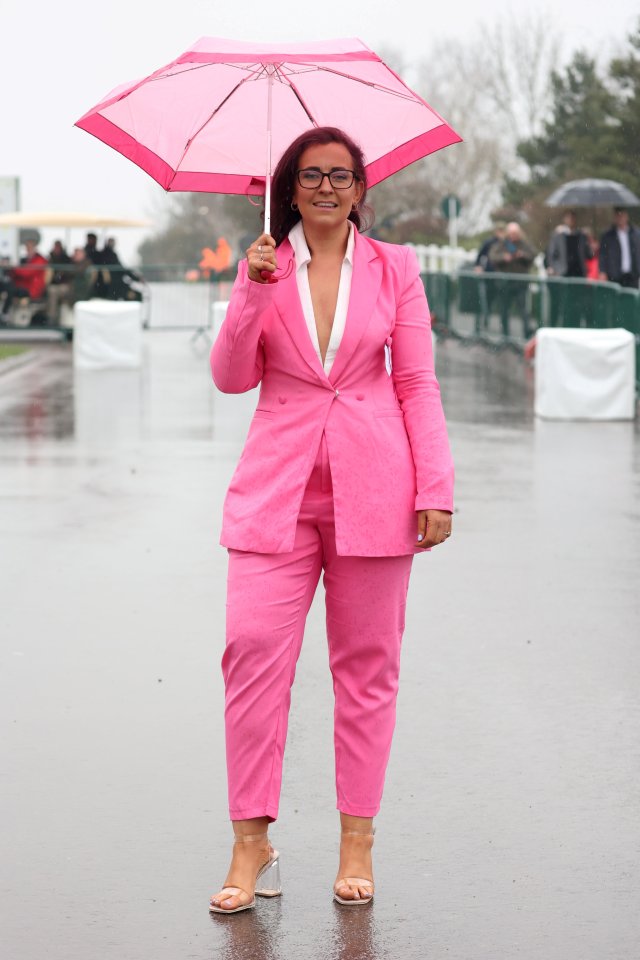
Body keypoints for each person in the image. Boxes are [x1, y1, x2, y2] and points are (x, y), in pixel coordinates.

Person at [208, 127, 454, 914]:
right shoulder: (264, 265)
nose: (324, 187)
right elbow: (229, 377)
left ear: (359, 187)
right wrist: (250, 290)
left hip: (377, 490)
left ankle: (358, 842)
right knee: (251, 661)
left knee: (367, 672)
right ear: (288, 186)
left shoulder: (397, 268)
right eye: (310, 175)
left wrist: (434, 487)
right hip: (275, 495)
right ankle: (253, 848)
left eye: (339, 175)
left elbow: (414, 380)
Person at [488, 221, 535, 337]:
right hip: (505, 283)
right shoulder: (502, 244)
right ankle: (505, 334)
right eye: (511, 233)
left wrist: (522, 255)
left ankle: (526, 332)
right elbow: (493, 256)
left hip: (520, 283)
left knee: (523, 309)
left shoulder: (523, 244)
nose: (513, 236)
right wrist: (504, 257)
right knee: (504, 309)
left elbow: (533, 254)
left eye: (515, 233)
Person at [546, 212, 591, 327]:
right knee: (563, 305)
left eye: (572, 218)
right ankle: (562, 328)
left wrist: (589, 239)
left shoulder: (581, 236)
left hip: (579, 275)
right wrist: (555, 269)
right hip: (564, 276)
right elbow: (551, 255)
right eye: (568, 218)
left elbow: (588, 254)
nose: (570, 220)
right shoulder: (558, 236)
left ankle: (574, 328)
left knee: (577, 306)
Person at [1, 238, 48, 318]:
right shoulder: (25, 260)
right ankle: (5, 313)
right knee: (5, 285)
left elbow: (26, 273)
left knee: (10, 290)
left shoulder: (40, 260)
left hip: (31, 290)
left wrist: (12, 266)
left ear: (34, 248)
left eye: (29, 247)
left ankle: (5, 314)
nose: (27, 250)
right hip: (21, 286)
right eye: (27, 247)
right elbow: (17, 274)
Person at [598, 207, 640, 288]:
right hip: (614, 274)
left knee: (631, 298)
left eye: (622, 216)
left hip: (632, 274)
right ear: (614, 218)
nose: (620, 218)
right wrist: (602, 271)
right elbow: (602, 255)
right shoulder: (607, 236)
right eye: (618, 216)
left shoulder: (635, 234)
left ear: (627, 216)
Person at [46, 240, 73, 326]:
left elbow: (68, 274)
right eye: (55, 247)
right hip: (54, 284)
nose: (56, 249)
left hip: (64, 285)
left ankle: (52, 319)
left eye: (58, 247)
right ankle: (52, 317)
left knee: (53, 291)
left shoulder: (66, 259)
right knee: (51, 291)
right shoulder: (51, 258)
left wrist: (61, 274)